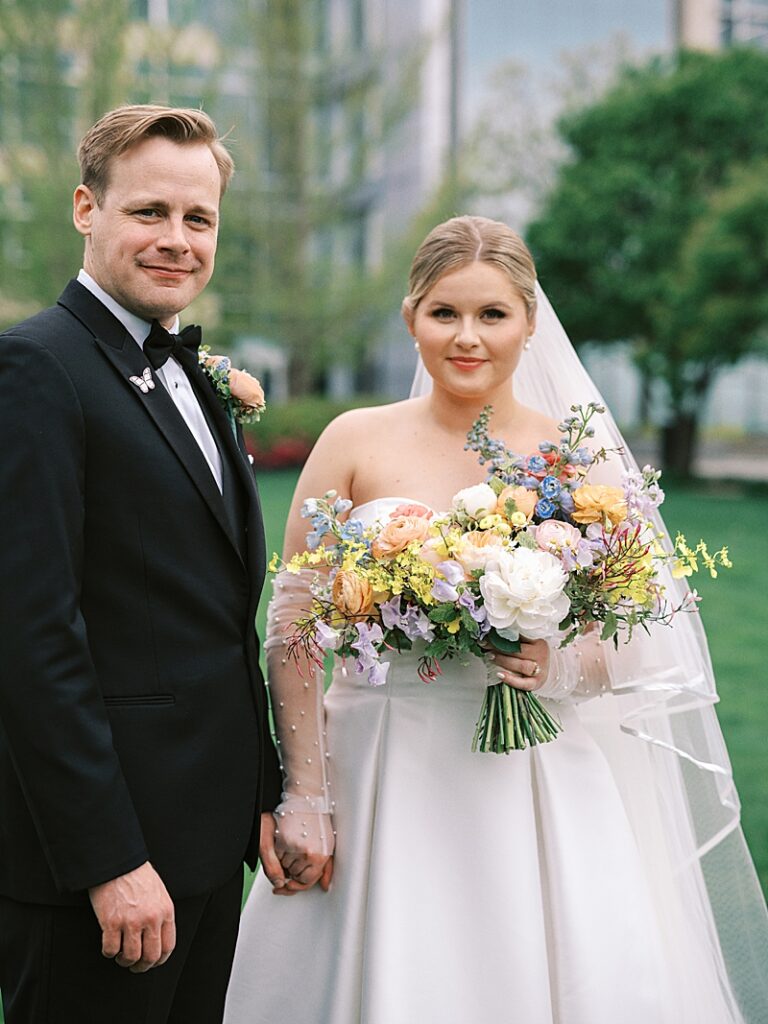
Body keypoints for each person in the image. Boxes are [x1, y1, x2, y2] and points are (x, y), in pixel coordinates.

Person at [223, 215, 768, 1024]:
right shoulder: (353, 440)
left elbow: (635, 640)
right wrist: (307, 793)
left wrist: (557, 665)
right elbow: (292, 622)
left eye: (492, 314)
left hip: (535, 776)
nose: (467, 337)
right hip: (380, 764)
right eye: (444, 313)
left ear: (529, 324)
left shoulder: (576, 462)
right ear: (410, 317)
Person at [0, 105, 281, 1024]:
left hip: (205, 843)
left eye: (197, 219)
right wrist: (109, 861)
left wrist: (264, 793)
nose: (177, 240)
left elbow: (208, 620)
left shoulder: (185, 374)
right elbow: (31, 638)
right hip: (109, 869)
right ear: (87, 208)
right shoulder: (37, 368)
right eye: (148, 212)